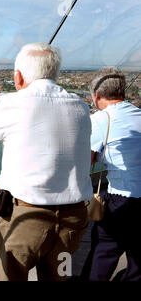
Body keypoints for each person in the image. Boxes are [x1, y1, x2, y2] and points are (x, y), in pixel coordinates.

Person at [0, 42, 93, 281]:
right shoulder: (81, 106)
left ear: (18, 76)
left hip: (26, 220)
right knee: (60, 278)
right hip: (73, 222)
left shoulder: (10, 104)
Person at [80, 67, 141, 281]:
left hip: (121, 200)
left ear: (96, 96)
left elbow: (85, 161)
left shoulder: (100, 119)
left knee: (103, 253)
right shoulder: (138, 114)